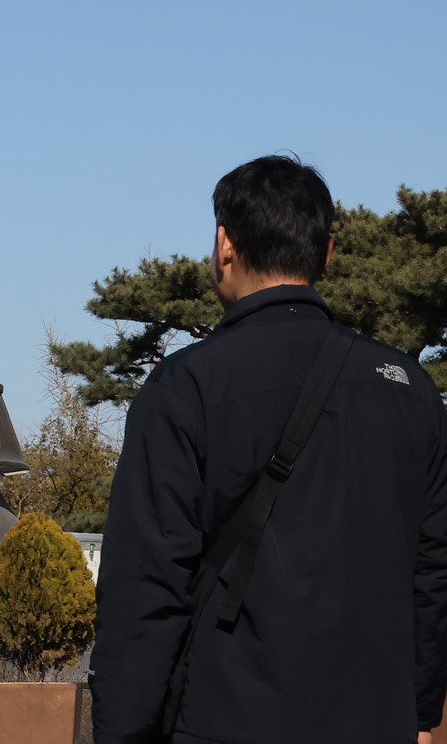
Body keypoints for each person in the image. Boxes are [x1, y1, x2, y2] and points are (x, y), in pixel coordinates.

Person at [92, 155, 447, 743]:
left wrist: (123, 731)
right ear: (327, 254)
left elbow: (145, 590)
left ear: (224, 246)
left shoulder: (187, 386)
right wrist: (418, 712)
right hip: (373, 720)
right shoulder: (409, 389)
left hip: (227, 718)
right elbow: (433, 572)